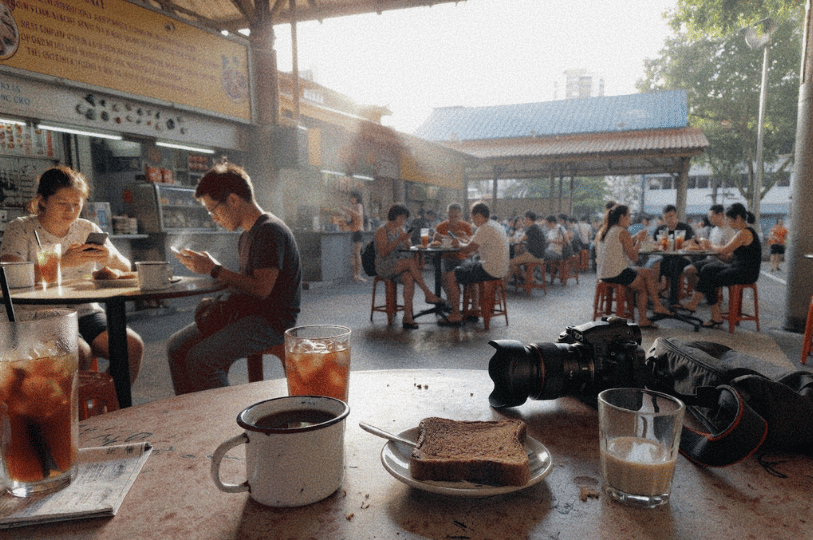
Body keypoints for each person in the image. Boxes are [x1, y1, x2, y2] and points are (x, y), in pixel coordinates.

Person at [0, 165, 143, 381]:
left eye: (76, 204)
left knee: (131, 346)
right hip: (37, 313)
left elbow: (127, 268)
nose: (70, 211)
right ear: (43, 201)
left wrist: (110, 258)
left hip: (84, 310)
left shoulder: (87, 229)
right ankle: (77, 413)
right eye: (62, 203)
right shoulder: (20, 229)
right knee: (78, 352)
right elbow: (9, 276)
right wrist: (62, 262)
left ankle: (109, 408)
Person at [167, 164, 301, 394]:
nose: (214, 218)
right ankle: (193, 414)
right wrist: (209, 272)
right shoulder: (247, 235)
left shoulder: (270, 231)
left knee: (201, 360)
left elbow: (261, 289)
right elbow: (245, 283)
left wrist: (216, 270)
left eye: (213, 210)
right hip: (248, 313)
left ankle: (227, 423)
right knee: (176, 346)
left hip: (271, 321)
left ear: (233, 200)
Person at [681, 203, 762, 328]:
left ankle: (699, 305)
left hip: (746, 272)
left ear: (738, 218)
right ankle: (712, 314)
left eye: (729, 219)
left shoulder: (744, 233)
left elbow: (724, 249)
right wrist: (712, 249)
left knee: (709, 277)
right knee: (707, 269)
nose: (728, 222)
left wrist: (709, 245)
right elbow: (729, 257)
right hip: (736, 267)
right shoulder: (740, 232)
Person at [596, 204, 672, 329]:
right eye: (629, 215)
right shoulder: (622, 232)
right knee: (643, 287)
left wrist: (636, 237)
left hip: (603, 273)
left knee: (647, 273)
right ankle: (644, 318)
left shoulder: (606, 230)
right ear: (622, 217)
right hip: (617, 273)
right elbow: (634, 258)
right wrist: (639, 241)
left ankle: (657, 305)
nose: (630, 219)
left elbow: (622, 242)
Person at [374, 203, 443, 330]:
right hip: (384, 265)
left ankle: (407, 318)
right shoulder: (382, 230)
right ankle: (428, 293)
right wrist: (398, 240)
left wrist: (406, 240)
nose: (404, 220)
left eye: (405, 218)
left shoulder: (399, 229)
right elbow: (383, 253)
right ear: (395, 216)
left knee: (409, 278)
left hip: (397, 265)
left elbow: (407, 247)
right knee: (410, 262)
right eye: (402, 217)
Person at [441, 202, 509, 326]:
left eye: (472, 217)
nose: (472, 221)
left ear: (478, 215)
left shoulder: (484, 228)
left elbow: (469, 249)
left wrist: (458, 244)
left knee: (451, 275)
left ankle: (456, 314)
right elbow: (476, 245)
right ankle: (473, 309)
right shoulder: (495, 225)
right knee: (468, 267)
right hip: (501, 270)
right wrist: (465, 240)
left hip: (489, 269)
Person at [650, 204, 695, 306]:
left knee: (674, 264)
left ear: (676, 215)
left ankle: (673, 300)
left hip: (682, 259)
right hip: (664, 259)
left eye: (671, 216)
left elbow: (691, 241)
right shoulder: (661, 229)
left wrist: (673, 244)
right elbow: (653, 242)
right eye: (666, 217)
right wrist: (657, 244)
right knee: (655, 264)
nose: (668, 219)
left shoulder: (685, 227)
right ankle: (657, 295)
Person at [683, 204, 734, 288]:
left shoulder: (729, 230)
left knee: (701, 270)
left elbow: (728, 255)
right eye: (709, 217)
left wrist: (710, 248)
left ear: (720, 215)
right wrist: (698, 246)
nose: (709, 219)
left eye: (711, 216)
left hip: (721, 262)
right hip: (709, 259)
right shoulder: (714, 230)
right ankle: (702, 292)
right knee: (687, 270)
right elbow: (708, 248)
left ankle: (705, 295)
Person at [433, 202, 473, 301]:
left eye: (456, 216)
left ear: (461, 215)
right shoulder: (440, 227)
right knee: (441, 276)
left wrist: (465, 237)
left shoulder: (466, 226)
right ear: (447, 215)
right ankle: (452, 299)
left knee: (465, 273)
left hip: (462, 257)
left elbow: (471, 244)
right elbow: (435, 245)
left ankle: (454, 300)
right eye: (450, 216)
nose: (453, 219)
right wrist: (436, 238)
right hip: (446, 257)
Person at [507, 210, 546, 283]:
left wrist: (512, 239)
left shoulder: (532, 228)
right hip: (539, 255)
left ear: (528, 219)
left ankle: (528, 277)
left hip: (534, 256)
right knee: (514, 261)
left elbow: (520, 239)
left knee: (509, 262)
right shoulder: (535, 227)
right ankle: (528, 277)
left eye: (524, 219)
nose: (524, 221)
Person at [343, 191, 366, 282]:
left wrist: (347, 209)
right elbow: (353, 221)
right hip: (355, 231)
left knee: (357, 254)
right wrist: (346, 222)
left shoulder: (359, 205)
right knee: (354, 254)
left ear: (356, 198)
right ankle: (355, 274)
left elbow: (358, 215)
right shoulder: (355, 207)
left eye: (352, 197)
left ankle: (358, 275)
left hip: (359, 232)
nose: (350, 199)